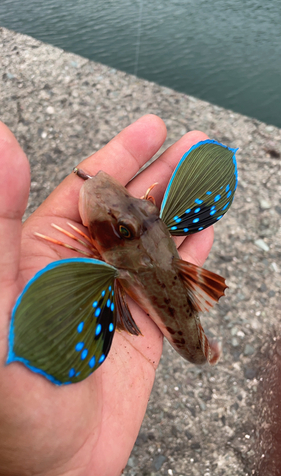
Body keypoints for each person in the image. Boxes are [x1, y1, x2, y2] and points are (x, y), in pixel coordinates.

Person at [0, 115, 214, 476]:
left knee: (199, 349)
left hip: (181, 326)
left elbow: (121, 308)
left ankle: (206, 352)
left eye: (124, 229)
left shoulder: (124, 269)